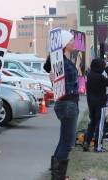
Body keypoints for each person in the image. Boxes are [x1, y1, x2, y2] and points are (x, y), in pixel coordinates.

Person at [45, 30, 79, 180]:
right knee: (68, 142)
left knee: (64, 140)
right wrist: (52, 76)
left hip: (68, 103)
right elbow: (48, 66)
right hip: (67, 104)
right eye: (71, 41)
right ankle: (58, 176)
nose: (74, 43)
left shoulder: (66, 60)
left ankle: (57, 173)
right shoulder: (61, 61)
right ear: (64, 44)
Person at [82, 59, 108, 152]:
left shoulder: (89, 75)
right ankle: (98, 146)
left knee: (92, 123)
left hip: (91, 103)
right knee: (100, 125)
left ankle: (86, 142)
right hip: (100, 103)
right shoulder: (100, 77)